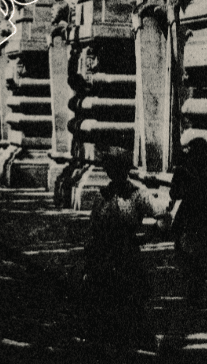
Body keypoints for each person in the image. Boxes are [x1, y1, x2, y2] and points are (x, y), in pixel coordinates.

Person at [81, 147, 167, 355]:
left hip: (127, 255)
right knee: (103, 299)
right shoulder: (103, 195)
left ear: (125, 170)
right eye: (110, 169)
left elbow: (162, 214)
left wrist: (148, 236)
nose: (113, 173)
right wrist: (89, 256)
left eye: (117, 169)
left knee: (130, 299)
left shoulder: (137, 194)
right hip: (103, 254)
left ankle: (140, 343)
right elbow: (93, 228)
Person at [169, 138, 207, 306]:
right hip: (205, 213)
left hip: (188, 214)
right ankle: (196, 289)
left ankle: (193, 289)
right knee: (202, 253)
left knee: (187, 253)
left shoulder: (183, 169)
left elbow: (174, 194)